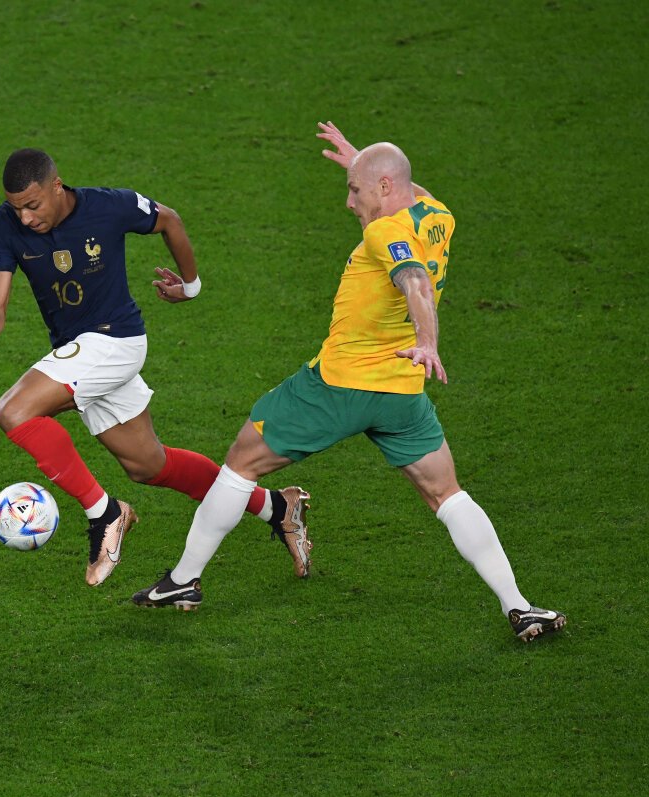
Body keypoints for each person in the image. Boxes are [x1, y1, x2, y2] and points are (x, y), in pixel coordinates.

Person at [132, 123, 566, 642]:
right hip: (402, 393)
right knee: (447, 494)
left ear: (384, 187)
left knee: (242, 460)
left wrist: (429, 341)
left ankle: (183, 581)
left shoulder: (384, 232)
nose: (349, 202)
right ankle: (520, 606)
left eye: (355, 189)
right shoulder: (438, 217)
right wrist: (363, 160)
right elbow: (413, 191)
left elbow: (415, 282)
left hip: (337, 386)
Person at [0, 148, 312, 587]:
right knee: (149, 465)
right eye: (16, 208)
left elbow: (169, 220)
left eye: (32, 205)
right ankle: (277, 507)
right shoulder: (5, 224)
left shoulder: (107, 206)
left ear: (56, 186)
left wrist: (191, 286)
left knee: (14, 411)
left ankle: (105, 514)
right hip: (80, 353)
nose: (24, 218)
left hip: (116, 341)